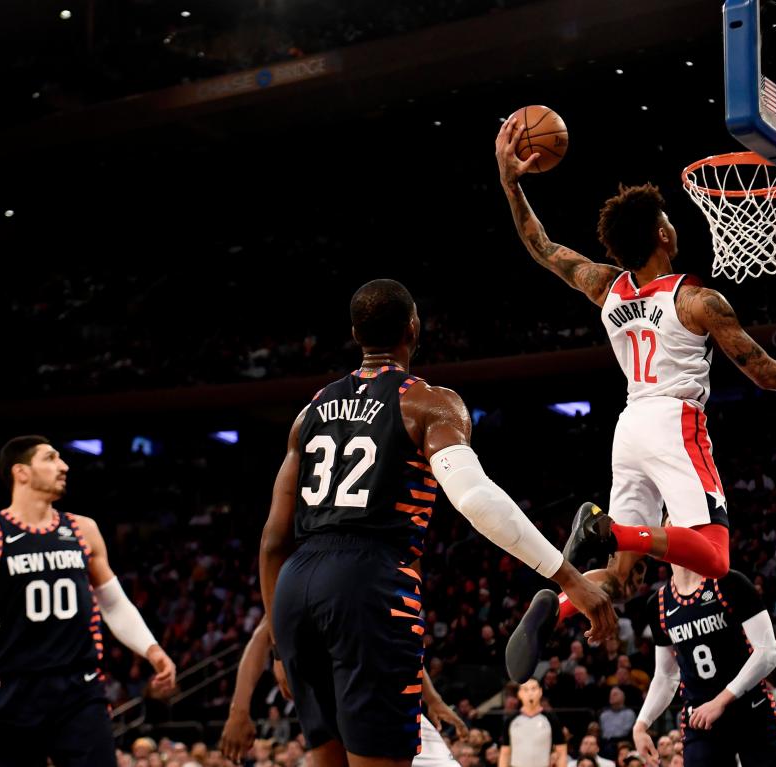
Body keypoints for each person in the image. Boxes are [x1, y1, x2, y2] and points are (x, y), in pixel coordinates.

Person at [494, 117, 776, 681]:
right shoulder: (697, 301)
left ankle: (559, 603)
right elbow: (763, 373)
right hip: (675, 422)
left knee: (619, 581)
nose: (672, 223)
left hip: (629, 426)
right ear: (663, 236)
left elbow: (542, 247)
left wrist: (510, 182)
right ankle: (604, 529)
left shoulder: (605, 286)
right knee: (715, 557)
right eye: (668, 219)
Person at [258, 279, 617, 767]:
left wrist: (280, 645)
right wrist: (568, 578)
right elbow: (473, 497)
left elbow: (272, 541)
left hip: (296, 587)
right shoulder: (427, 402)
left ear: (355, 333)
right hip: (367, 581)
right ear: (413, 329)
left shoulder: (310, 412)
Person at [0, 435, 177, 767]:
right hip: (15, 687)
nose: (63, 466)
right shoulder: (0, 533)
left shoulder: (83, 529)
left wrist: (152, 649)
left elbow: (112, 602)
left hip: (79, 687)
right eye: (50, 459)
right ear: (21, 472)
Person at [220, 618, 467, 765]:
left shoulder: (372, 570)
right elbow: (260, 636)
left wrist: (433, 699)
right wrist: (238, 710)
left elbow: (398, 644)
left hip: (386, 703)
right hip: (343, 712)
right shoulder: (304, 574)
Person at [631, 564, 776, 766]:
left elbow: (768, 652)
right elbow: (666, 676)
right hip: (701, 721)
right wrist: (641, 725)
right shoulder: (658, 603)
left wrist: (720, 701)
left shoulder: (728, 582)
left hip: (750, 710)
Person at [499, 678, 565, 767]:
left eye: (534, 689)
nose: (530, 693)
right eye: (525, 689)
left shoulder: (551, 719)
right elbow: (504, 753)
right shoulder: (511, 720)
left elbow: (561, 751)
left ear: (540, 691)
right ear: (519, 694)